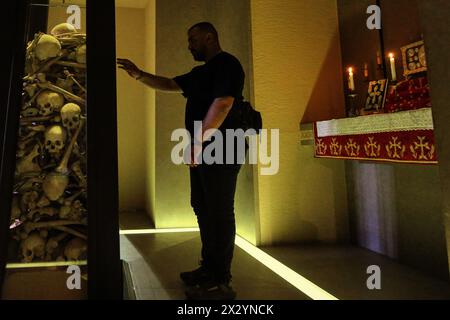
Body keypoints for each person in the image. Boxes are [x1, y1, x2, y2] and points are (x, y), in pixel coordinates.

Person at [117, 22, 245, 300]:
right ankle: (209, 268)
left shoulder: (228, 65)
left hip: (224, 147)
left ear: (210, 37)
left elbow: (223, 103)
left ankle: (220, 278)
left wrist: (198, 143)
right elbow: (168, 84)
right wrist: (138, 75)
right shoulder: (200, 72)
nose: (189, 45)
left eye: (193, 40)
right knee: (202, 206)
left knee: (220, 211)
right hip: (205, 149)